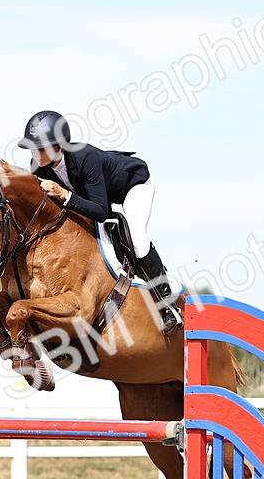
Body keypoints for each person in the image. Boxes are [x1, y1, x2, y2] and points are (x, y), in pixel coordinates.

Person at [19, 109, 183, 335]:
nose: (35, 153)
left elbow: (101, 211)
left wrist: (65, 195)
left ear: (59, 146)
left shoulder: (86, 157)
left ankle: (168, 305)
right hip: (96, 196)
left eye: (40, 148)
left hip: (132, 185)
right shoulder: (39, 168)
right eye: (32, 148)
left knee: (137, 240)